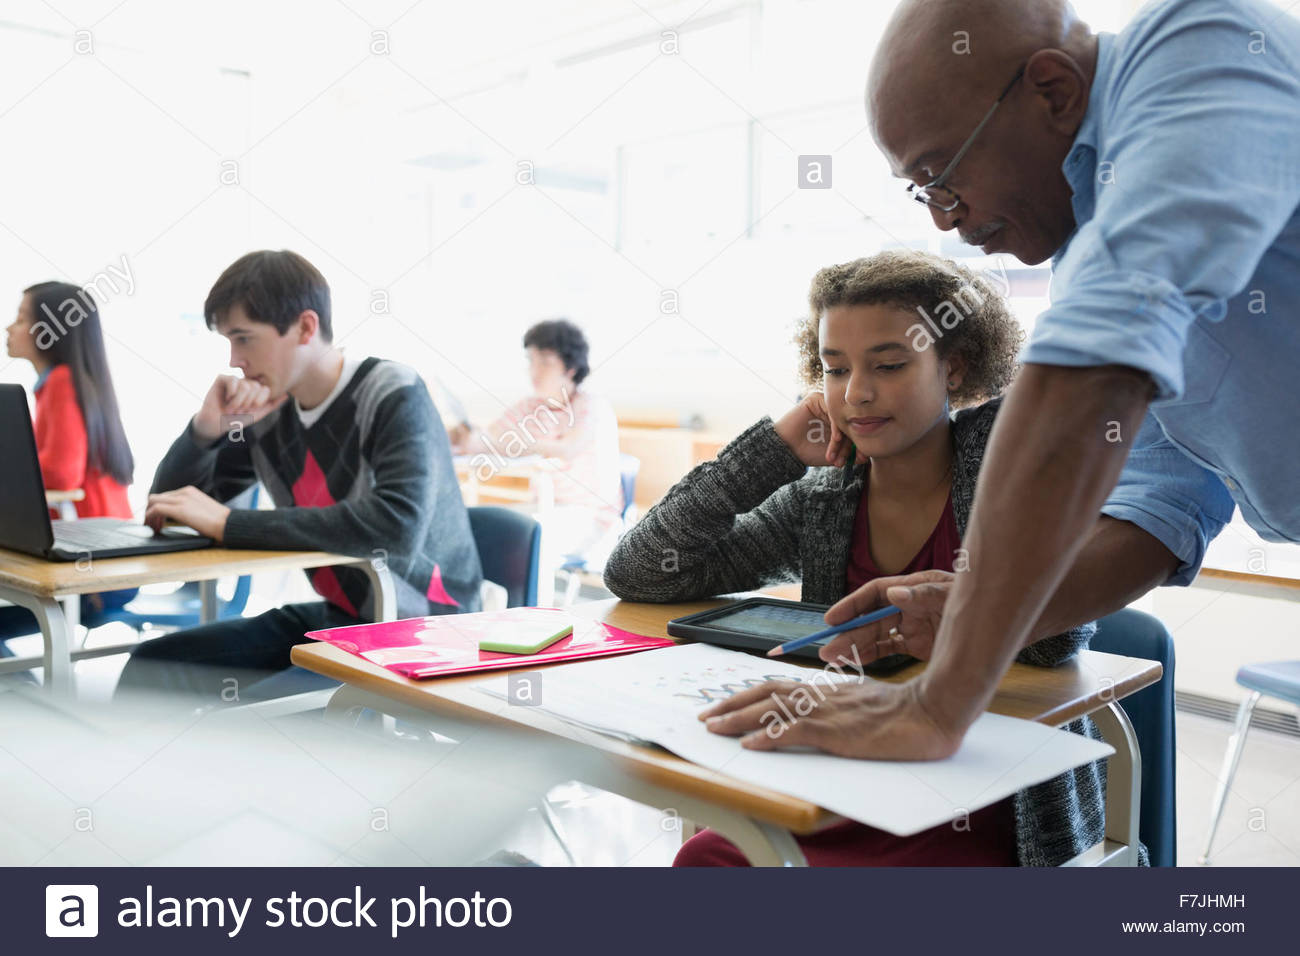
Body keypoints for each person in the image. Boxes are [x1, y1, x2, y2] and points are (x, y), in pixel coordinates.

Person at [703, 0, 1291, 761]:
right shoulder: (1096, 239)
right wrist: (968, 609)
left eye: (941, 175)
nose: (947, 220)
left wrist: (938, 700)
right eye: (920, 191)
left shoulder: (1199, 42)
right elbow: (1154, 513)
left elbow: (1094, 366)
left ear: (1050, 90)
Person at [605, 250, 1142, 866]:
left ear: (954, 368)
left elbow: (1051, 644)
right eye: (834, 370)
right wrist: (773, 451)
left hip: (982, 787)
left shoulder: (1002, 457)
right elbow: (639, 571)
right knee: (705, 861)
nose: (856, 394)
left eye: (888, 365)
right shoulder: (826, 501)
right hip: (853, 771)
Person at [115, 250, 482, 699]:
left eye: (244, 339)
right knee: (151, 665)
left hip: (425, 630)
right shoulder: (270, 410)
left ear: (306, 328)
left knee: (245, 716)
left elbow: (397, 525)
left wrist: (231, 525)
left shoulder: (392, 391)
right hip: (342, 620)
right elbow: (171, 509)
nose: (234, 359)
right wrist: (205, 430)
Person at [0, 282, 138, 653]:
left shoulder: (62, 383)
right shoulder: (66, 382)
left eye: (21, 319)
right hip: (101, 556)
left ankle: (26, 701)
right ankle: (27, 698)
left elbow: (61, 474)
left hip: (95, 568)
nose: (9, 329)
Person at [453, 319, 622, 562]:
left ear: (570, 368)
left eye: (545, 361)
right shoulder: (531, 405)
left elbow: (567, 449)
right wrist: (465, 436)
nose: (534, 370)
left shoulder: (591, 406)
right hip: (544, 508)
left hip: (591, 519)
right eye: (531, 360)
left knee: (513, 538)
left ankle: (519, 599)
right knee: (479, 527)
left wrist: (489, 443)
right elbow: (490, 436)